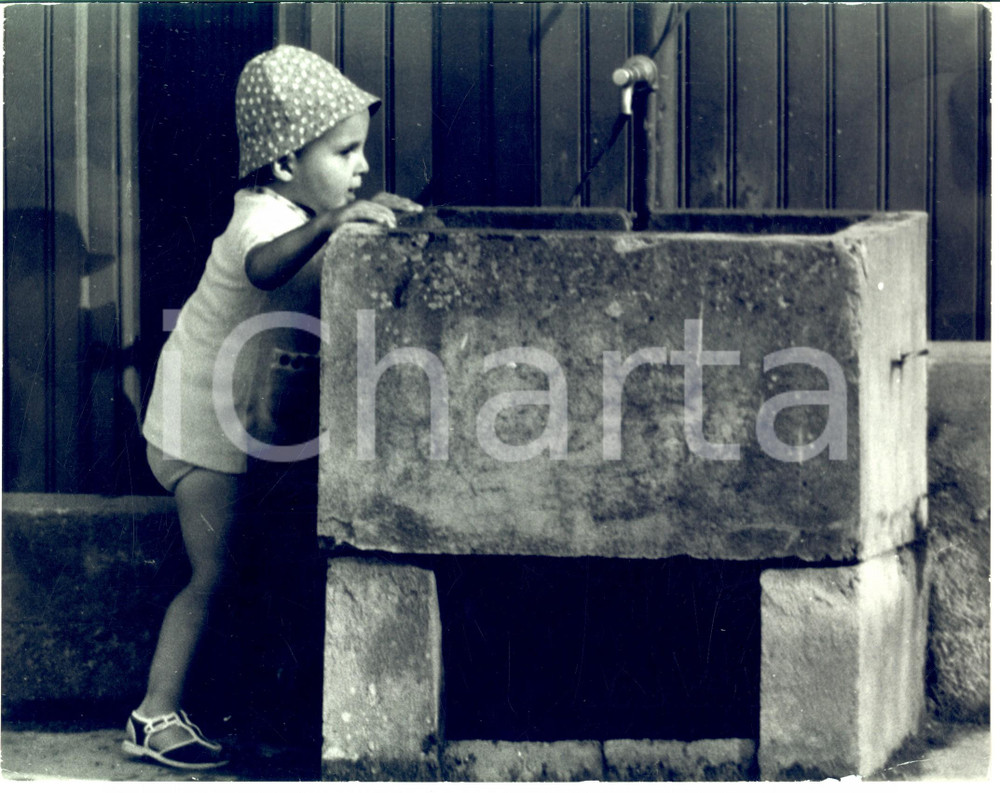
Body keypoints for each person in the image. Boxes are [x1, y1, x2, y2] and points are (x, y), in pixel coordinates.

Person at [123, 45, 421, 771]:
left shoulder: (293, 211)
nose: (361, 169)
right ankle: (152, 713)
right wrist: (335, 223)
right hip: (196, 429)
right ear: (285, 164)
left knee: (242, 565)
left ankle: (216, 702)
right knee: (213, 573)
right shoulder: (260, 216)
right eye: (345, 151)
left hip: (227, 422)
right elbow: (265, 264)